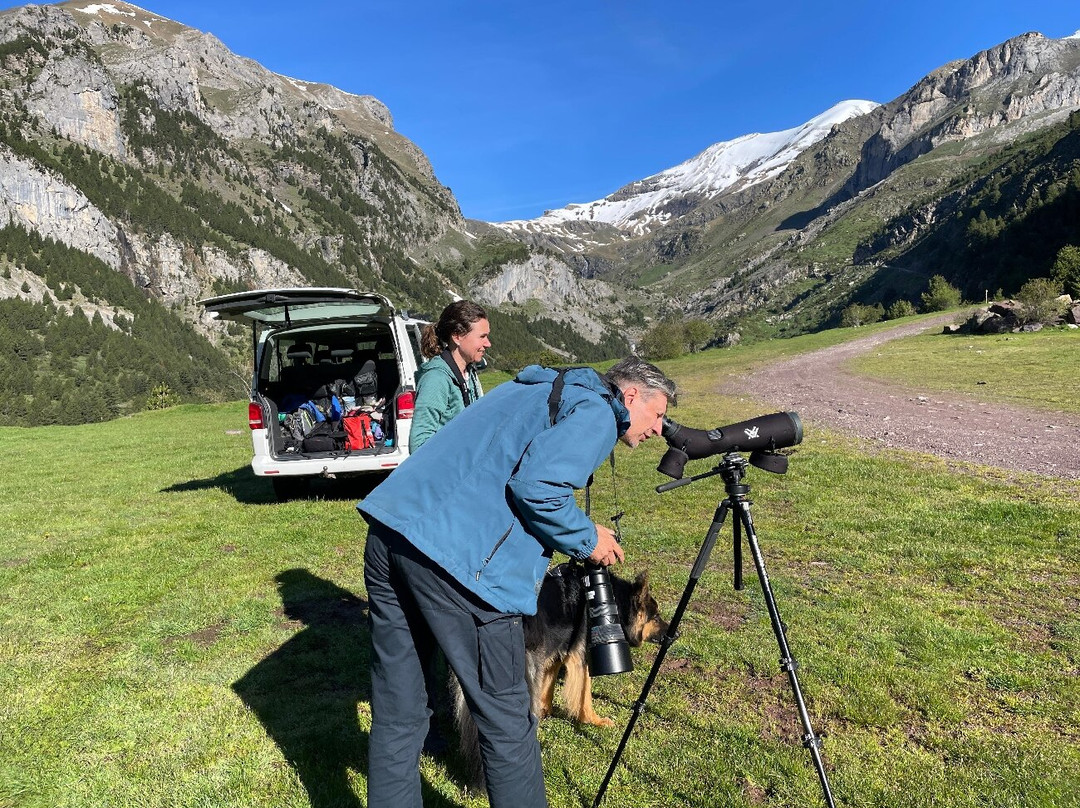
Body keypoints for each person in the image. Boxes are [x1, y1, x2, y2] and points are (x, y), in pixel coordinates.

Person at [359, 356, 677, 808]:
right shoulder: (598, 410)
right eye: (657, 414)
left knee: (399, 710)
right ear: (629, 396)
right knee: (507, 719)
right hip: (457, 561)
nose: (659, 429)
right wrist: (588, 539)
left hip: (390, 532)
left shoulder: (530, 388)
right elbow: (538, 488)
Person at [409, 300, 490, 453]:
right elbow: (419, 444)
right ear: (457, 336)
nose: (488, 344)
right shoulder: (436, 379)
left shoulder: (468, 373)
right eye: (482, 336)